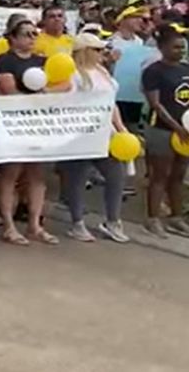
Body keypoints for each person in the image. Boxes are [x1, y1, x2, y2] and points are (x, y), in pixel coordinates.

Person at [0, 18, 66, 245]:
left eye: (35, 33)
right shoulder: (5, 61)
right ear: (13, 38)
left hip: (38, 125)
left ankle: (35, 224)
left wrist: (46, 93)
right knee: (12, 173)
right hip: (15, 124)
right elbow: (9, 90)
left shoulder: (41, 61)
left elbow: (65, 84)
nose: (32, 38)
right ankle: (9, 225)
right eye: (26, 34)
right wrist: (38, 97)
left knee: (37, 174)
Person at [63, 33, 132, 243]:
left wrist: (121, 128)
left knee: (116, 175)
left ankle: (113, 220)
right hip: (81, 133)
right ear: (85, 51)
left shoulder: (103, 73)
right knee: (77, 177)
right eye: (97, 50)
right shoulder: (73, 74)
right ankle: (77, 222)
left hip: (106, 132)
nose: (102, 53)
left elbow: (111, 104)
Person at [141, 26, 189, 239]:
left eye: (182, 47)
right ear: (162, 47)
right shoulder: (153, 71)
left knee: (178, 175)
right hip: (162, 130)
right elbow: (156, 104)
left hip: (187, 130)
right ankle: (153, 218)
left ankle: (177, 217)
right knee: (160, 175)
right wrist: (176, 127)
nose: (180, 51)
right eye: (175, 47)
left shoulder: (187, 69)